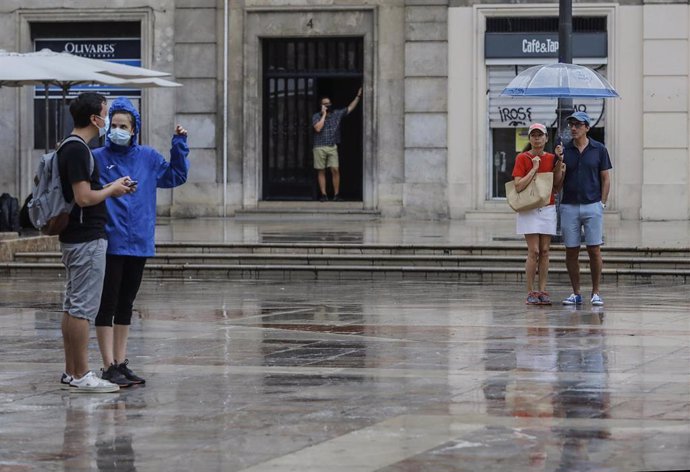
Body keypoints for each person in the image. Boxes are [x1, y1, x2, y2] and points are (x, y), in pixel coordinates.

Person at [93, 97, 190, 387]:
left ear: (134, 130)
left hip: (139, 241)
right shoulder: (97, 157)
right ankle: (107, 364)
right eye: (114, 125)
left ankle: (121, 362)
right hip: (110, 242)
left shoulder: (147, 157)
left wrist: (179, 144)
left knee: (126, 304)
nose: (117, 130)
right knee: (106, 304)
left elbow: (176, 175)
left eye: (124, 126)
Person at [58, 92, 133, 393]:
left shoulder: (71, 146)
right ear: (94, 118)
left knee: (72, 306)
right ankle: (82, 373)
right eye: (105, 113)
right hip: (86, 236)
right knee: (82, 309)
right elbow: (83, 197)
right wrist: (112, 189)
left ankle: (71, 371)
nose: (108, 119)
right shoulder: (78, 150)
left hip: (77, 237)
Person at [559, 111, 612, 306]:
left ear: (587, 128)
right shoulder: (564, 150)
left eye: (578, 125)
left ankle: (596, 292)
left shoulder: (599, 149)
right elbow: (558, 183)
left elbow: (606, 178)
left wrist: (602, 203)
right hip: (569, 206)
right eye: (571, 124)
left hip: (592, 206)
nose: (573, 128)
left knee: (594, 250)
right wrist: (558, 162)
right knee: (571, 251)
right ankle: (576, 292)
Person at [511, 123, 564, 305]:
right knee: (533, 251)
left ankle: (542, 289)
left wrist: (559, 162)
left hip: (547, 207)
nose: (537, 138)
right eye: (533, 135)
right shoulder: (522, 158)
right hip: (529, 208)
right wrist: (533, 169)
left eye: (540, 135)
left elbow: (557, 185)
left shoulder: (551, 158)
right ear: (530, 138)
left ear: (546, 138)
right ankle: (530, 290)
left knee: (545, 251)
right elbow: (518, 185)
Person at [311, 87, 362, 201]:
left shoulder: (336, 114)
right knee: (321, 170)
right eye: (325, 104)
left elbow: (349, 108)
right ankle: (324, 195)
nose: (328, 105)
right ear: (321, 105)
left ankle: (336, 195)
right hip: (319, 147)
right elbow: (318, 128)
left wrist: (358, 97)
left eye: (329, 103)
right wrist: (323, 115)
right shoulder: (316, 116)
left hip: (332, 146)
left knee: (335, 169)